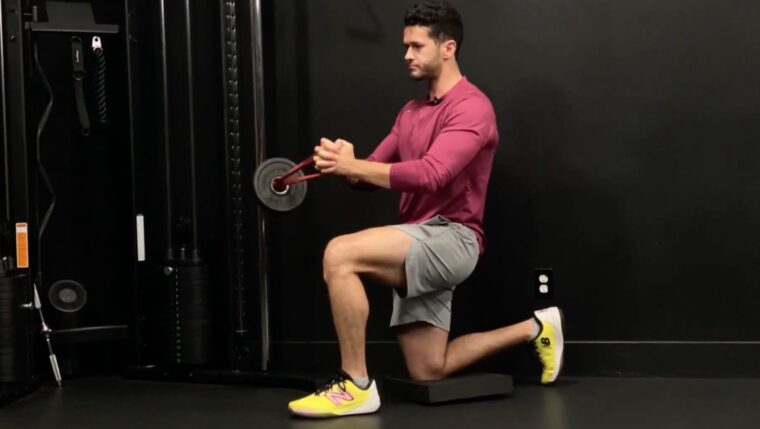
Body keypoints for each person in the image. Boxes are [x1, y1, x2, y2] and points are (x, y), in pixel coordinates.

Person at [288, 1, 564, 418]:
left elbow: (433, 174)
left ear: (448, 47)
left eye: (417, 46)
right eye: (405, 46)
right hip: (418, 237)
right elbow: (367, 177)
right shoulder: (411, 112)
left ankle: (356, 385)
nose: (407, 55)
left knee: (339, 254)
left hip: (452, 238)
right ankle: (536, 327)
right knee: (428, 368)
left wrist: (354, 165)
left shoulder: (473, 108)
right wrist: (343, 163)